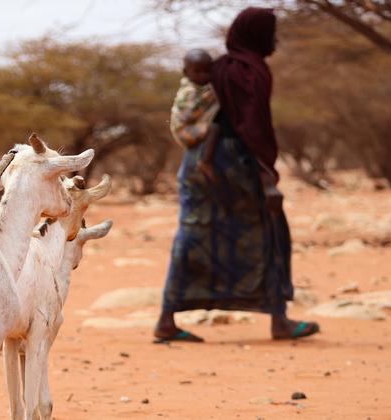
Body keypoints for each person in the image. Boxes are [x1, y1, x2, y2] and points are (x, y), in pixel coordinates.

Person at [154, 7, 320, 343]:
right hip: (235, 164)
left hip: (196, 163)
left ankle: (167, 319)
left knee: (194, 235)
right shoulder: (248, 71)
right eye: (270, 34)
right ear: (256, 36)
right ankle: (278, 320)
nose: (274, 41)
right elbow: (251, 127)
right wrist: (267, 179)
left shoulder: (219, 68)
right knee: (269, 233)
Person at [170, 49, 220, 184]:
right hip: (184, 130)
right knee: (214, 128)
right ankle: (205, 162)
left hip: (192, 128)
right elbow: (188, 114)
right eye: (197, 72)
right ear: (186, 72)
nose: (203, 76)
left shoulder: (203, 88)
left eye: (207, 71)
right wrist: (211, 96)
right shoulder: (189, 91)